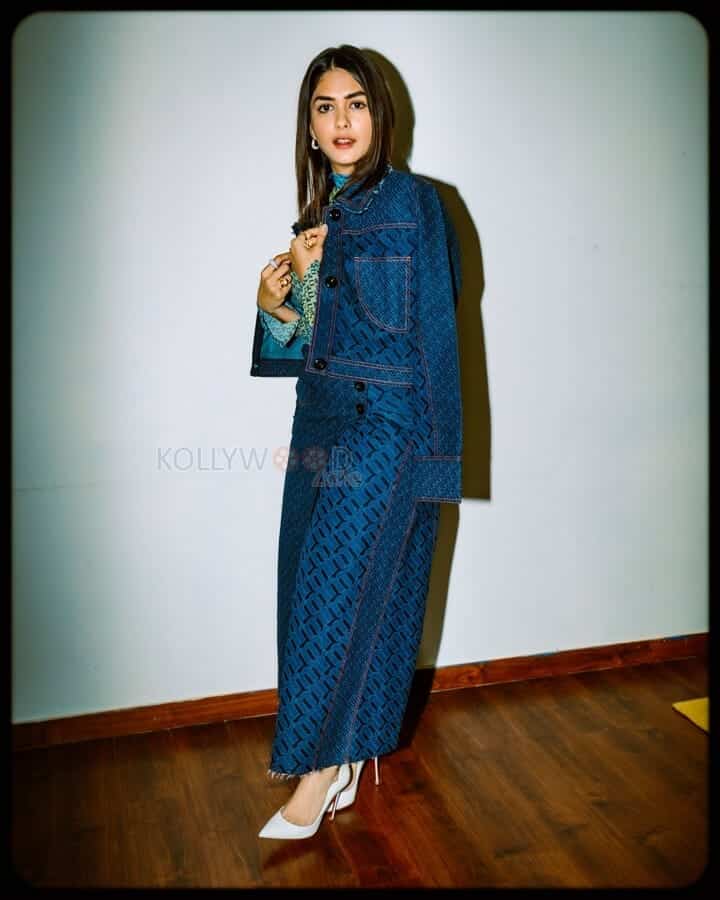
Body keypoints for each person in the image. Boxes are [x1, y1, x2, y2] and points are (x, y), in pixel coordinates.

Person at [252, 44, 463, 840]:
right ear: (308, 128)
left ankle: (317, 773)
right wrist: (276, 306)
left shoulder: (415, 203)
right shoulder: (313, 224)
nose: (341, 121)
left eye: (356, 103)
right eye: (324, 107)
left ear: (380, 115)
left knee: (334, 597)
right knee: (300, 590)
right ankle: (337, 757)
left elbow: (435, 335)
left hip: (386, 429)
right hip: (317, 426)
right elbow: (303, 357)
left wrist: (436, 463)